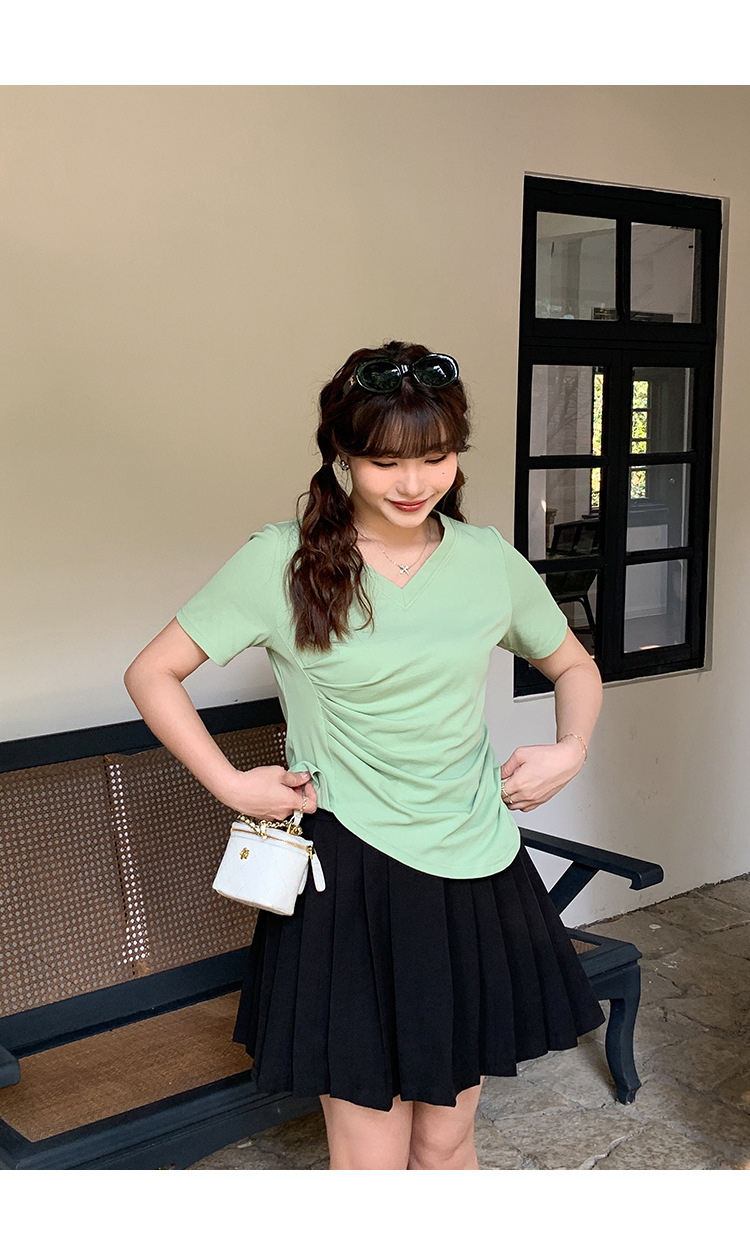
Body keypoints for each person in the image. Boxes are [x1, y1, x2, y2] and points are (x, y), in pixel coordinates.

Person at [124, 340, 604, 1171]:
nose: (414, 483)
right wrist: (231, 783)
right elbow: (153, 671)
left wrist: (572, 748)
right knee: (370, 1152)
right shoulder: (281, 559)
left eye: (436, 457)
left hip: (477, 868)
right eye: (386, 462)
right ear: (341, 454)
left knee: (447, 1140)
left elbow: (574, 664)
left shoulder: (487, 559)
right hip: (349, 874)